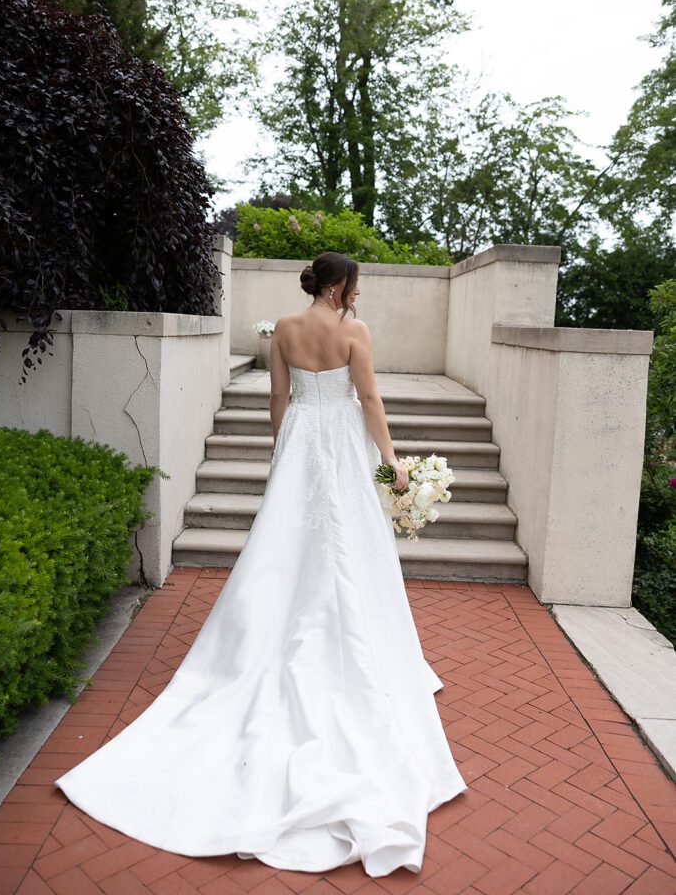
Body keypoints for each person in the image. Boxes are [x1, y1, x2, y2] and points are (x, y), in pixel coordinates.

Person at [54, 250, 468, 877]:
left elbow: (278, 398)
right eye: (354, 284)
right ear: (338, 286)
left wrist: (285, 458)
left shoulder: (283, 328)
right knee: (352, 546)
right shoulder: (354, 332)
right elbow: (371, 401)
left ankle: (263, 639)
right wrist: (394, 462)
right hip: (342, 443)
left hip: (301, 440)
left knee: (287, 545)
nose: (359, 294)